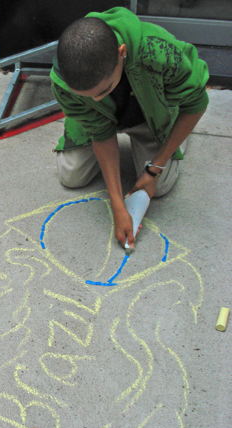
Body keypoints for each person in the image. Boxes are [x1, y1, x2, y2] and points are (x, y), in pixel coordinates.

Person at [50, 7, 209, 250]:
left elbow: (197, 102)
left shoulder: (157, 50)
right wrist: (117, 203)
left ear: (121, 54)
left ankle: (173, 132)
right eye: (86, 97)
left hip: (149, 115)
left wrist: (155, 168)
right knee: (71, 176)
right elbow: (101, 132)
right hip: (104, 122)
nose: (96, 101)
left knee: (160, 185)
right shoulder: (63, 79)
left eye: (103, 91)